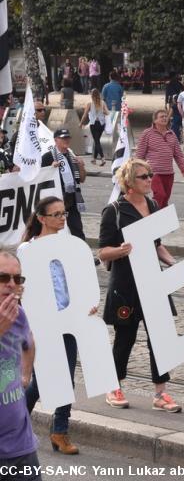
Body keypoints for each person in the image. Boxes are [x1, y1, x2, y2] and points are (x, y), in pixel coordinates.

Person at [98, 158, 182, 413]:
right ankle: (114, 386)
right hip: (126, 283)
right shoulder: (113, 210)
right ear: (129, 183)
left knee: (160, 338)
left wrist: (172, 263)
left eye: (150, 174)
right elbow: (103, 252)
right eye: (144, 176)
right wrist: (121, 250)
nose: (149, 180)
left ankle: (160, 393)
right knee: (126, 337)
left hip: (153, 281)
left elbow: (157, 245)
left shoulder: (153, 205)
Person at [19, 197, 97, 456]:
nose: (63, 218)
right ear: (42, 218)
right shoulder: (27, 250)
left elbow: (79, 281)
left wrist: (88, 303)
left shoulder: (69, 245)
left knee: (67, 379)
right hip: (42, 323)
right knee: (41, 382)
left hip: (69, 319)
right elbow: (23, 289)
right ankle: (14, 425)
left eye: (64, 213)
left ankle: (59, 431)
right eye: (56, 214)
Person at [0, 250, 41, 480]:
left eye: (18, 279)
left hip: (21, 446)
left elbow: (29, 342)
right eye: (3, 278)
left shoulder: (19, 315)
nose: (11, 284)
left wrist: (25, 377)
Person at [134, 110, 184, 209]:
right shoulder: (147, 133)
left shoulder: (171, 134)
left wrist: (183, 168)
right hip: (153, 173)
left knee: (165, 199)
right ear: (155, 120)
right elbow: (140, 154)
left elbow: (178, 154)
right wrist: (137, 170)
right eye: (161, 117)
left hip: (168, 173)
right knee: (160, 195)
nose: (164, 118)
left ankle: (162, 220)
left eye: (165, 116)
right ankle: (153, 216)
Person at [40, 129, 87, 241]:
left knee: (77, 230)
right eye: (63, 138)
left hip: (72, 199)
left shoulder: (73, 156)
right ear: (56, 140)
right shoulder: (48, 157)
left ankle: (82, 254)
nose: (66, 140)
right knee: (54, 230)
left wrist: (81, 167)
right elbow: (40, 180)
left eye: (68, 138)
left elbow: (82, 179)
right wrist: (50, 169)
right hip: (56, 200)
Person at [80, 89, 109, 166]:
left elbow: (85, 115)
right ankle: (94, 159)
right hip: (102, 124)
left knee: (96, 141)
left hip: (93, 124)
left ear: (91, 95)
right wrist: (102, 111)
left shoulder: (89, 104)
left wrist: (81, 123)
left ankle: (103, 158)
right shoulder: (102, 103)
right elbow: (107, 113)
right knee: (97, 141)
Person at [164, 73, 184, 140]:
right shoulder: (178, 83)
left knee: (171, 112)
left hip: (171, 99)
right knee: (174, 111)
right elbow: (183, 89)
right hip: (177, 98)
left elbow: (167, 93)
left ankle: (168, 125)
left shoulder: (169, 83)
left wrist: (166, 102)